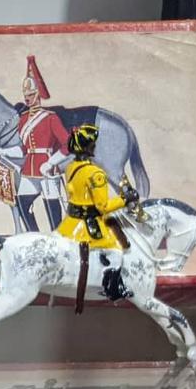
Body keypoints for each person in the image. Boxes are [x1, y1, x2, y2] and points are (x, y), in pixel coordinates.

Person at [56, 124, 138, 300]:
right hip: (88, 224)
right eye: (93, 144)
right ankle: (112, 290)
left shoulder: (71, 167)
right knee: (117, 252)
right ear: (88, 147)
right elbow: (103, 207)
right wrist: (125, 199)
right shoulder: (96, 173)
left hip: (71, 222)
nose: (95, 147)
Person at [15, 56, 71, 230]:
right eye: (26, 96)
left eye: (31, 95)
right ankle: (34, 235)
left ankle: (56, 238)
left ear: (38, 94)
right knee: (21, 202)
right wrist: (0, 153)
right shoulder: (23, 119)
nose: (27, 99)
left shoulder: (50, 118)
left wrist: (51, 162)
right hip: (29, 169)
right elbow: (24, 148)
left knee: (52, 210)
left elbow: (68, 144)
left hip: (47, 168)